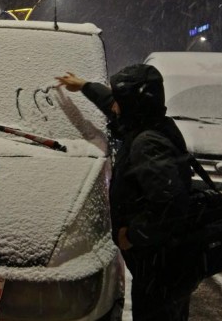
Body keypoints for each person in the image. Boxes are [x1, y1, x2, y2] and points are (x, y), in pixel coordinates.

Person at [56, 65, 198, 321]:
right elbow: (112, 104)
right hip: (166, 265)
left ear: (135, 104)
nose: (114, 107)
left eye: (120, 101)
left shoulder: (146, 144)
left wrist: (132, 235)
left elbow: (172, 204)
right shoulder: (152, 122)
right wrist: (85, 86)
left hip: (161, 269)